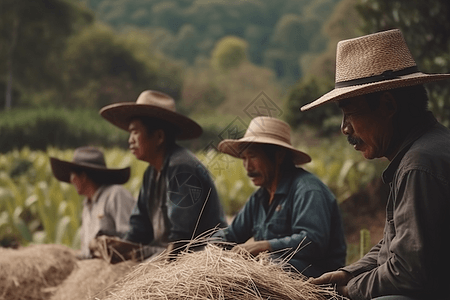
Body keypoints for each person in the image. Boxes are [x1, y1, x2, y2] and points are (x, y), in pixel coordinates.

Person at [301, 29, 450, 300]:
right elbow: (399, 244)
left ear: (388, 105)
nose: (345, 128)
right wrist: (349, 273)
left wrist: (347, 291)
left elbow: (409, 270)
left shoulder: (419, 165)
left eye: (349, 114)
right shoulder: (425, 150)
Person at [97, 90, 227, 260]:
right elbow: (139, 228)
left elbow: (181, 241)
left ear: (159, 137)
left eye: (136, 132)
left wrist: (140, 255)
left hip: (201, 258)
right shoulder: (151, 173)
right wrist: (119, 248)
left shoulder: (182, 168)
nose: (130, 140)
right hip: (167, 254)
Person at [211, 116, 346, 277]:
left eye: (253, 156)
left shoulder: (308, 190)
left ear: (279, 156)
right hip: (275, 273)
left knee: (261, 266)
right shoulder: (259, 198)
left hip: (314, 281)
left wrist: (265, 245)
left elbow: (313, 242)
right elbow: (231, 235)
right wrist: (211, 249)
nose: (247, 166)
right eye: (244, 158)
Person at [50, 146, 136, 259]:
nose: (71, 180)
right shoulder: (87, 206)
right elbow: (87, 250)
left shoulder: (115, 195)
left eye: (72, 175)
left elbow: (132, 240)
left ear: (83, 177)